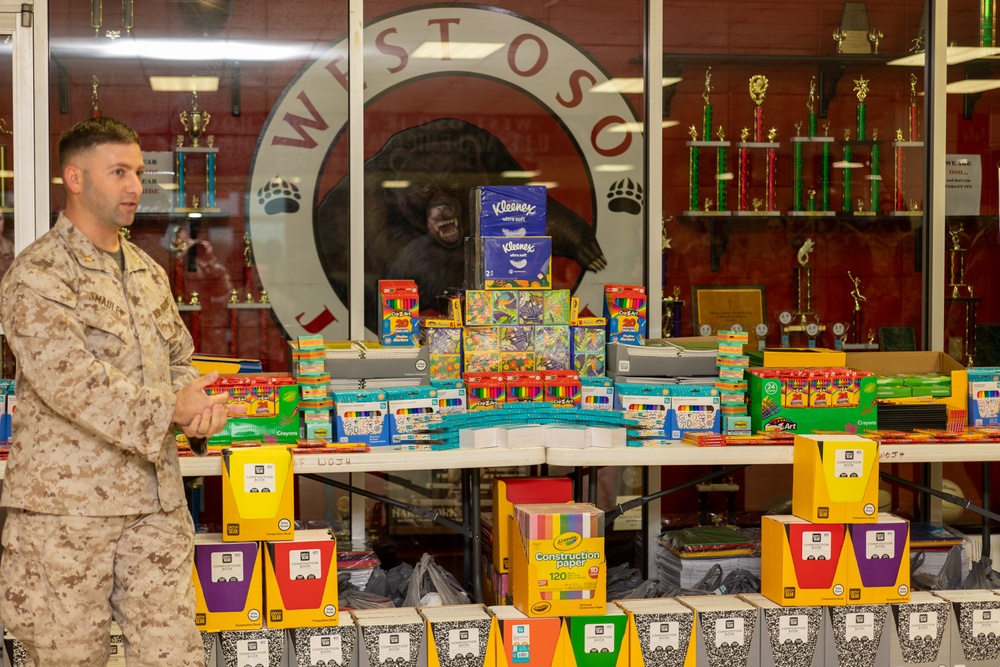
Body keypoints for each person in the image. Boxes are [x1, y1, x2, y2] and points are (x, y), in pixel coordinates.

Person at [0, 117, 231, 666]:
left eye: (139, 172)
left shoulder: (147, 272)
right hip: (67, 518)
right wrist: (169, 407)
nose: (135, 186)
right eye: (120, 172)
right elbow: (71, 382)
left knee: (176, 657)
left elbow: (177, 357)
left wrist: (194, 409)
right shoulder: (38, 274)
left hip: (154, 508)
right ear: (75, 178)